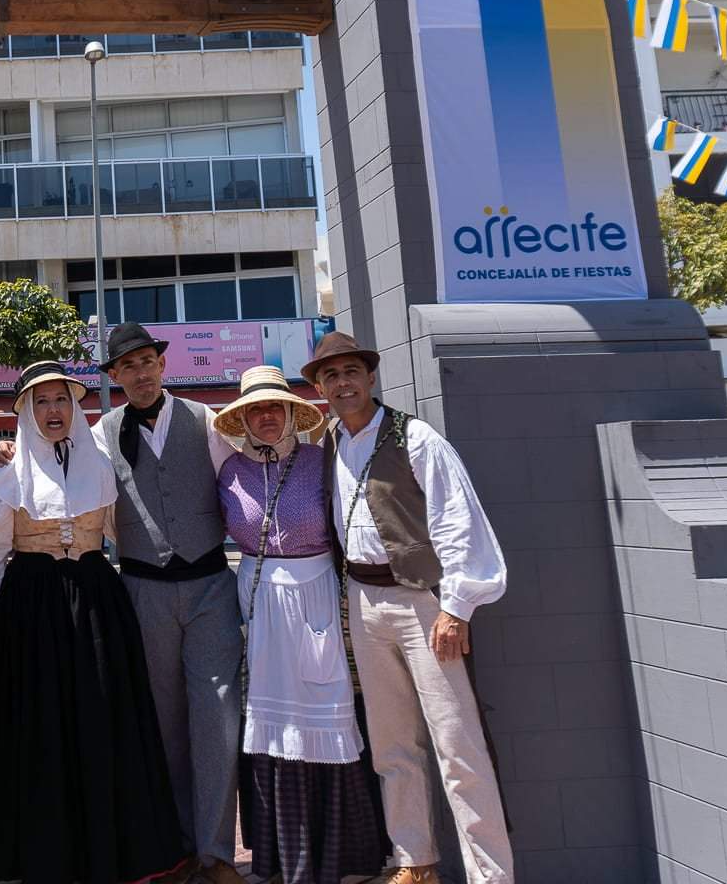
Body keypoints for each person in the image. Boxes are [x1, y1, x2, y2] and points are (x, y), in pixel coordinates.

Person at [308, 331, 511, 884]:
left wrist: (458, 606)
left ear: (370, 377)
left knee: (457, 743)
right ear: (320, 387)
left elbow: (456, 520)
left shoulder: (414, 436)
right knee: (393, 745)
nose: (342, 383)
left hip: (423, 602)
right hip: (363, 599)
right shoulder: (328, 442)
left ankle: (492, 876)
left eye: (351, 372)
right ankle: (415, 862)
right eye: (330, 376)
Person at [0, 361, 186, 884]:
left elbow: (127, 531)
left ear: (75, 407)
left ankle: (111, 849)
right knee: (38, 726)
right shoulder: (6, 477)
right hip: (30, 609)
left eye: (62, 401)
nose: (54, 411)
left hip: (96, 603)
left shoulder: (103, 467)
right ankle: (44, 854)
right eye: (42, 401)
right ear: (26, 410)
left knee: (101, 719)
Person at [211, 365, 385, 884]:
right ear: (242, 418)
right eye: (254, 410)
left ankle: (342, 857)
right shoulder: (230, 474)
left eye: (274, 407)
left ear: (291, 413)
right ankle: (279, 859)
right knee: (270, 723)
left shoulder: (322, 462)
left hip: (318, 600)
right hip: (260, 604)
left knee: (325, 714)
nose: (265, 417)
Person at [93, 322, 245, 884]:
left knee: (218, 719)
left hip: (210, 587)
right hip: (143, 591)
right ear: (113, 377)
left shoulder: (207, 421)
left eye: (147, 361)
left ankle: (216, 852)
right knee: (163, 724)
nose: (140, 372)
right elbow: (96, 505)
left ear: (162, 364)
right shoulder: (102, 433)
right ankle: (177, 850)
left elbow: (242, 481)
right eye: (127, 366)